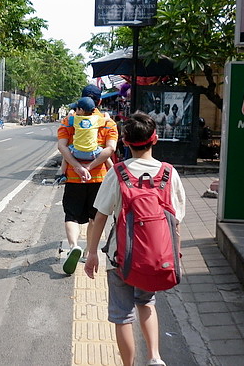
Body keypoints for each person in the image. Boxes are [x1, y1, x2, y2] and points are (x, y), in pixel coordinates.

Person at [84, 112, 186, 366]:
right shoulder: (169, 174)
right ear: (156, 139)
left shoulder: (118, 173)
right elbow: (176, 223)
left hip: (121, 258)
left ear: (126, 142)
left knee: (121, 316)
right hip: (156, 257)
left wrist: (93, 252)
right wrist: (175, 257)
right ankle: (154, 357)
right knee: (147, 301)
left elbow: (101, 217)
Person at [57, 84, 118, 275]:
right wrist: (90, 167)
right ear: (99, 102)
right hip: (99, 178)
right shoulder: (107, 122)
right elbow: (110, 149)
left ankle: (74, 245)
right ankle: (87, 252)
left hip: (75, 178)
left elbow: (62, 146)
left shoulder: (69, 120)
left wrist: (77, 166)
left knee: (71, 215)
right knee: (94, 217)